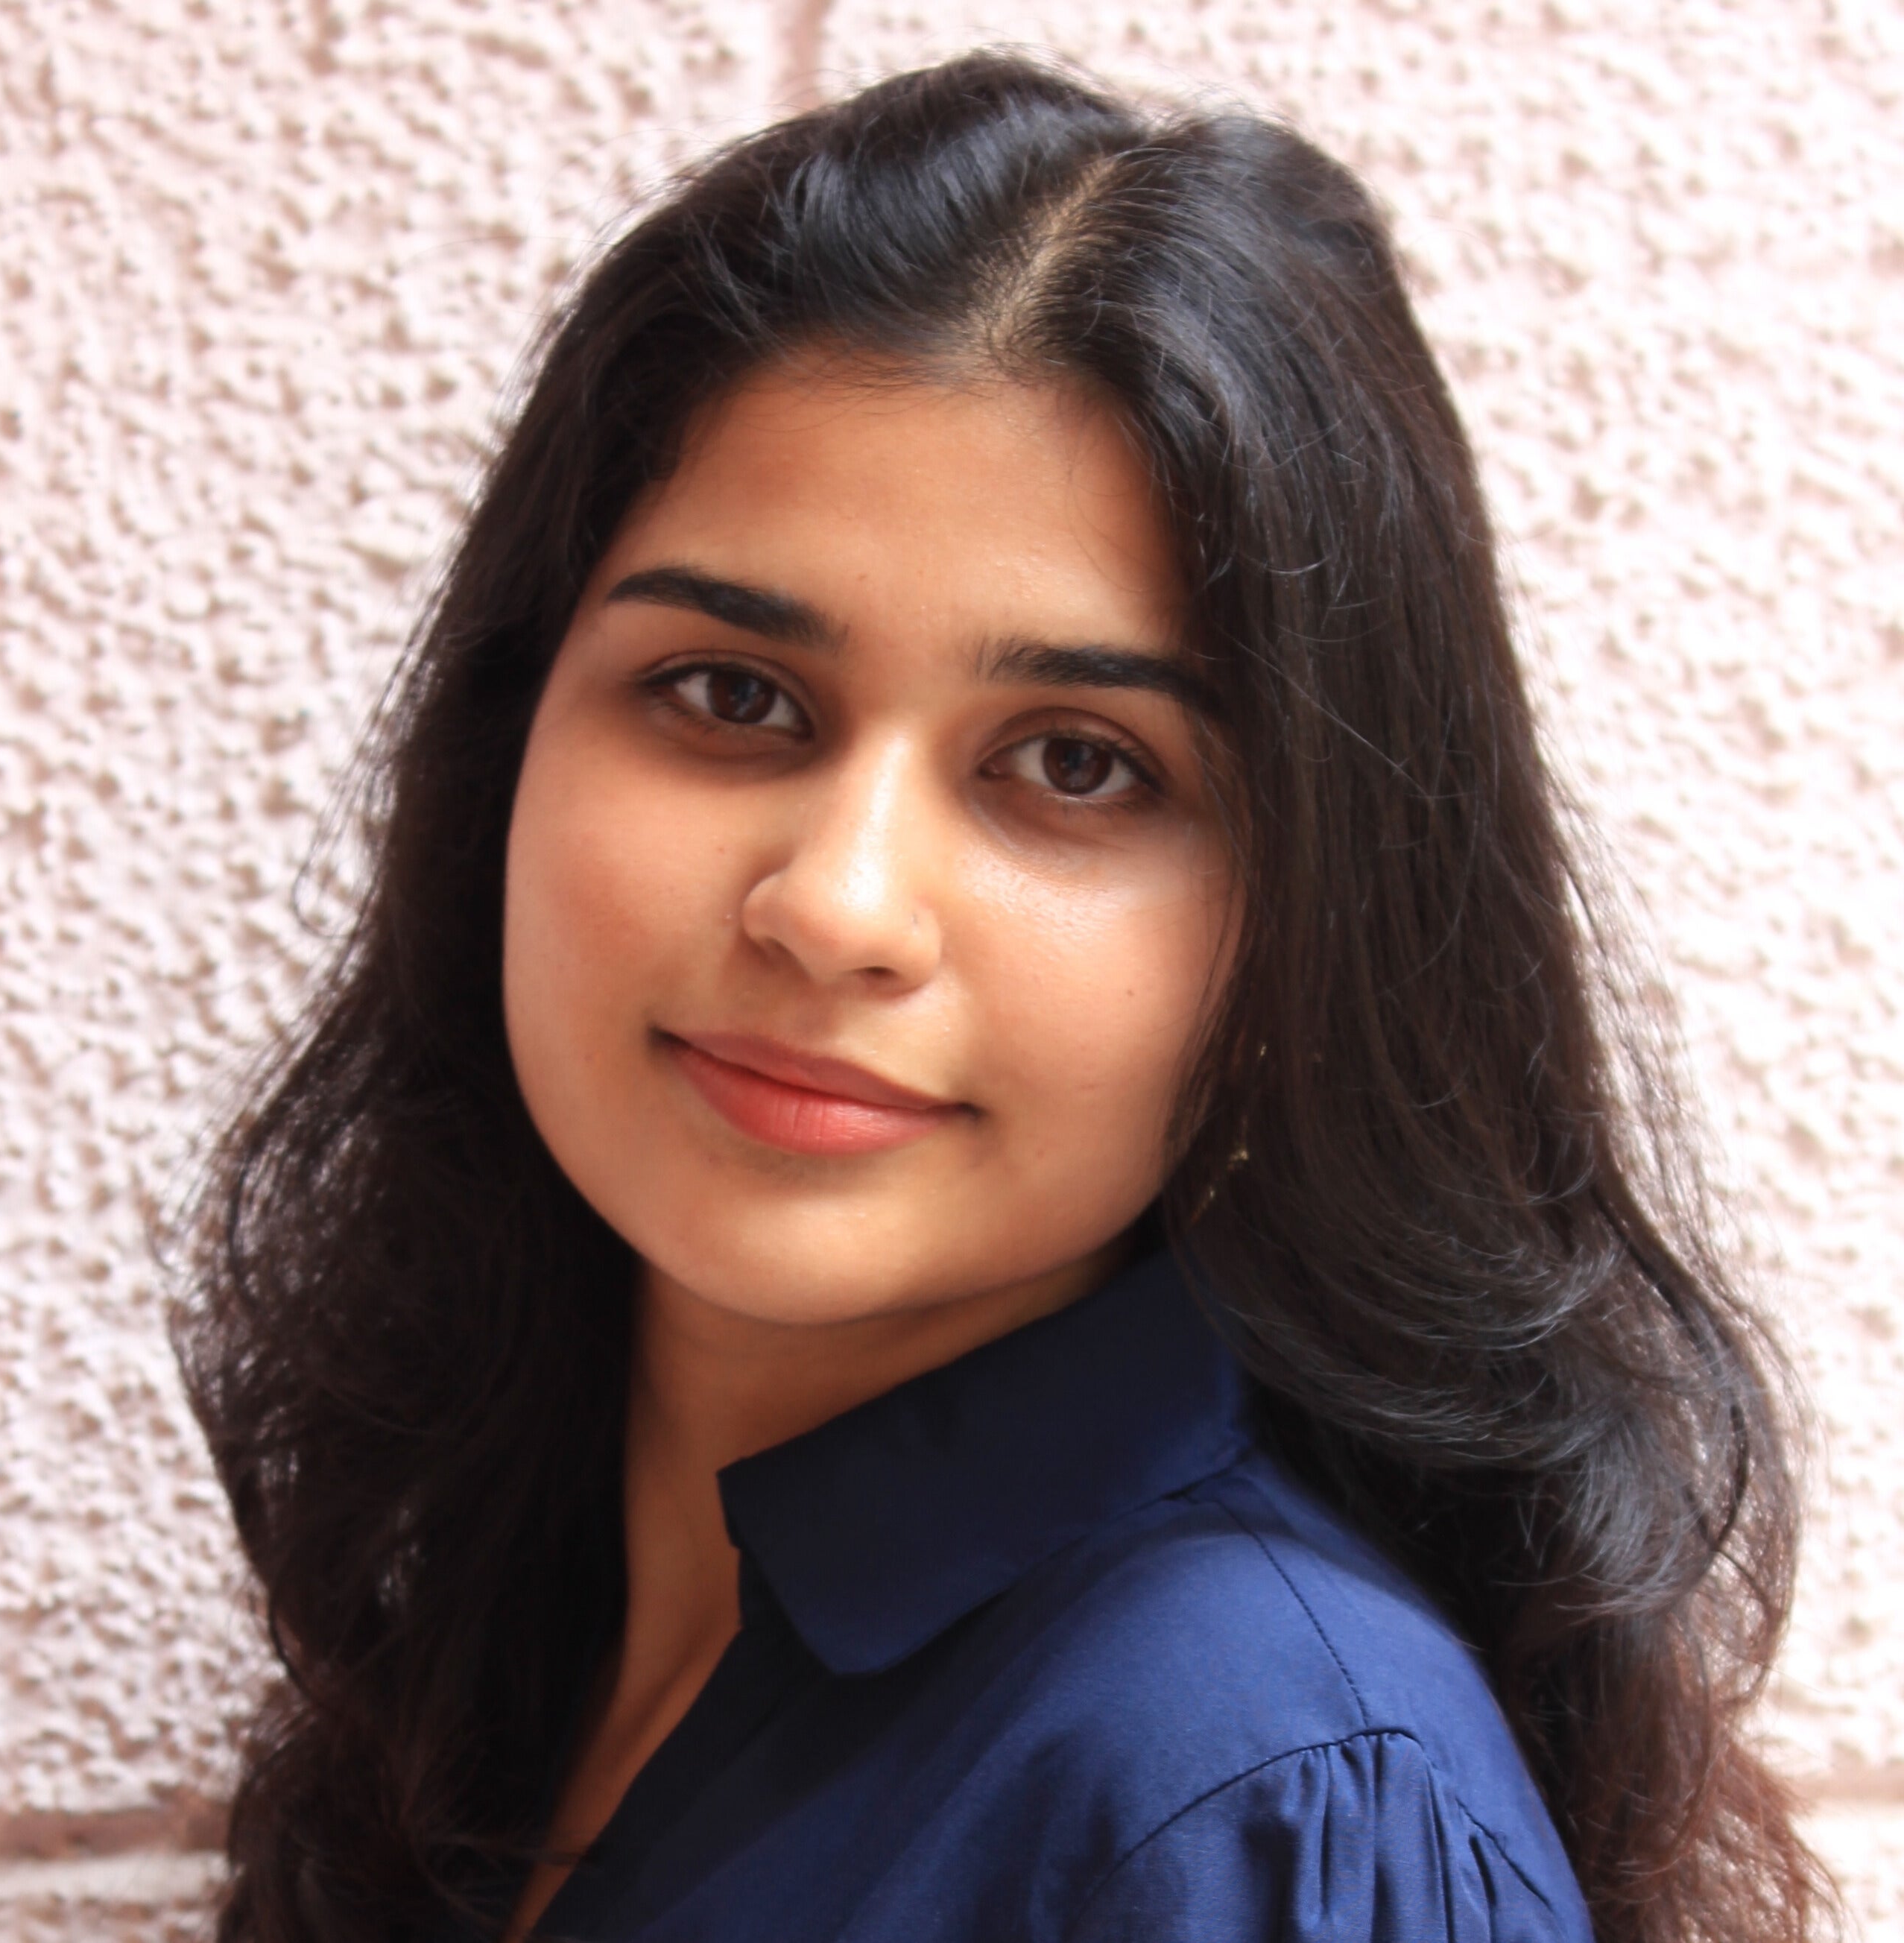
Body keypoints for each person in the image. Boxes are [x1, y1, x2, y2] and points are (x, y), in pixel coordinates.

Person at [175, 51, 1832, 1943]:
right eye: (732, 694)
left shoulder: (1249, 1791)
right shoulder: (506, 1614)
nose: (838, 905)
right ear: (507, 742)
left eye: (1073, 762)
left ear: (1307, 915)